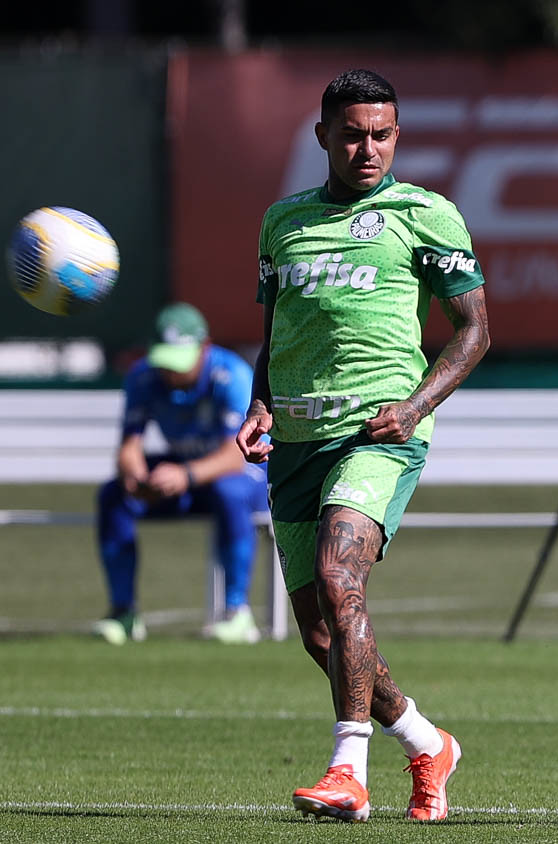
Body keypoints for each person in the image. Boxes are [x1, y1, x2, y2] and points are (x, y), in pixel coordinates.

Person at [234, 68, 489, 823]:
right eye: (351, 134)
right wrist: (259, 403)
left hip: (380, 435)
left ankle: (349, 772)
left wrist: (414, 407)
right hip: (298, 441)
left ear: (397, 136)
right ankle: (425, 740)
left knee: (340, 578)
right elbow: (278, 331)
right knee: (320, 632)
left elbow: (473, 331)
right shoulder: (284, 222)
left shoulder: (426, 214)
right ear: (323, 137)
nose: (366, 148)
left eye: (381, 134)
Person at [94, 302, 268, 646]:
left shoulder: (231, 374)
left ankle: (238, 613)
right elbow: (130, 445)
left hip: (247, 475)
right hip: (187, 475)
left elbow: (237, 454)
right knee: (113, 495)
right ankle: (123, 612)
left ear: (204, 348)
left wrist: (185, 475)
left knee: (229, 491)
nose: (171, 373)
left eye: (179, 363)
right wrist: (136, 475)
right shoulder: (143, 376)